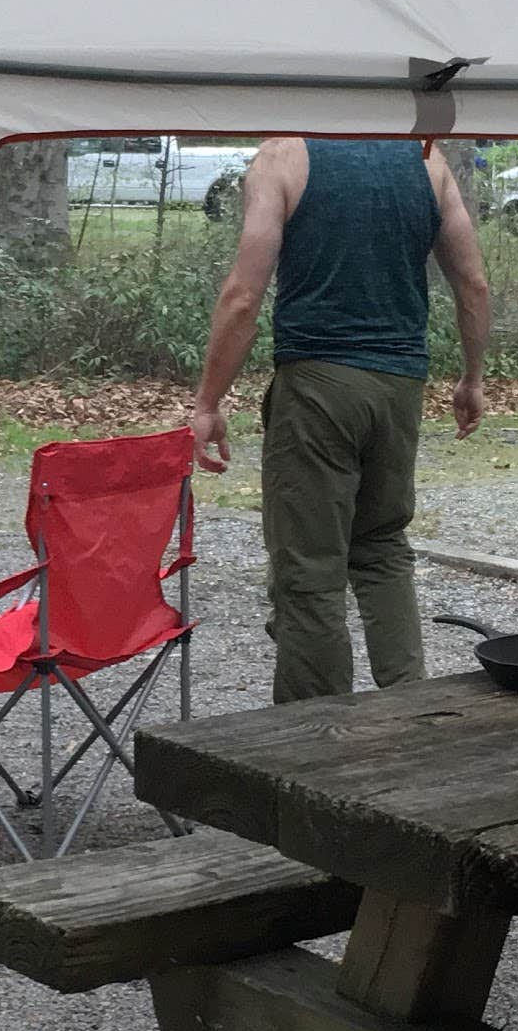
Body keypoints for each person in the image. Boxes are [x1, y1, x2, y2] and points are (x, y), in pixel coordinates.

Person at [190, 137, 492, 702]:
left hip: (317, 386)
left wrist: (208, 402)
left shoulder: (282, 158)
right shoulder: (426, 163)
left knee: (309, 566)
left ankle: (316, 734)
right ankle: (410, 707)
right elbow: (472, 284)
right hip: (401, 385)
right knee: (380, 545)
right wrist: (472, 377)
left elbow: (242, 297)